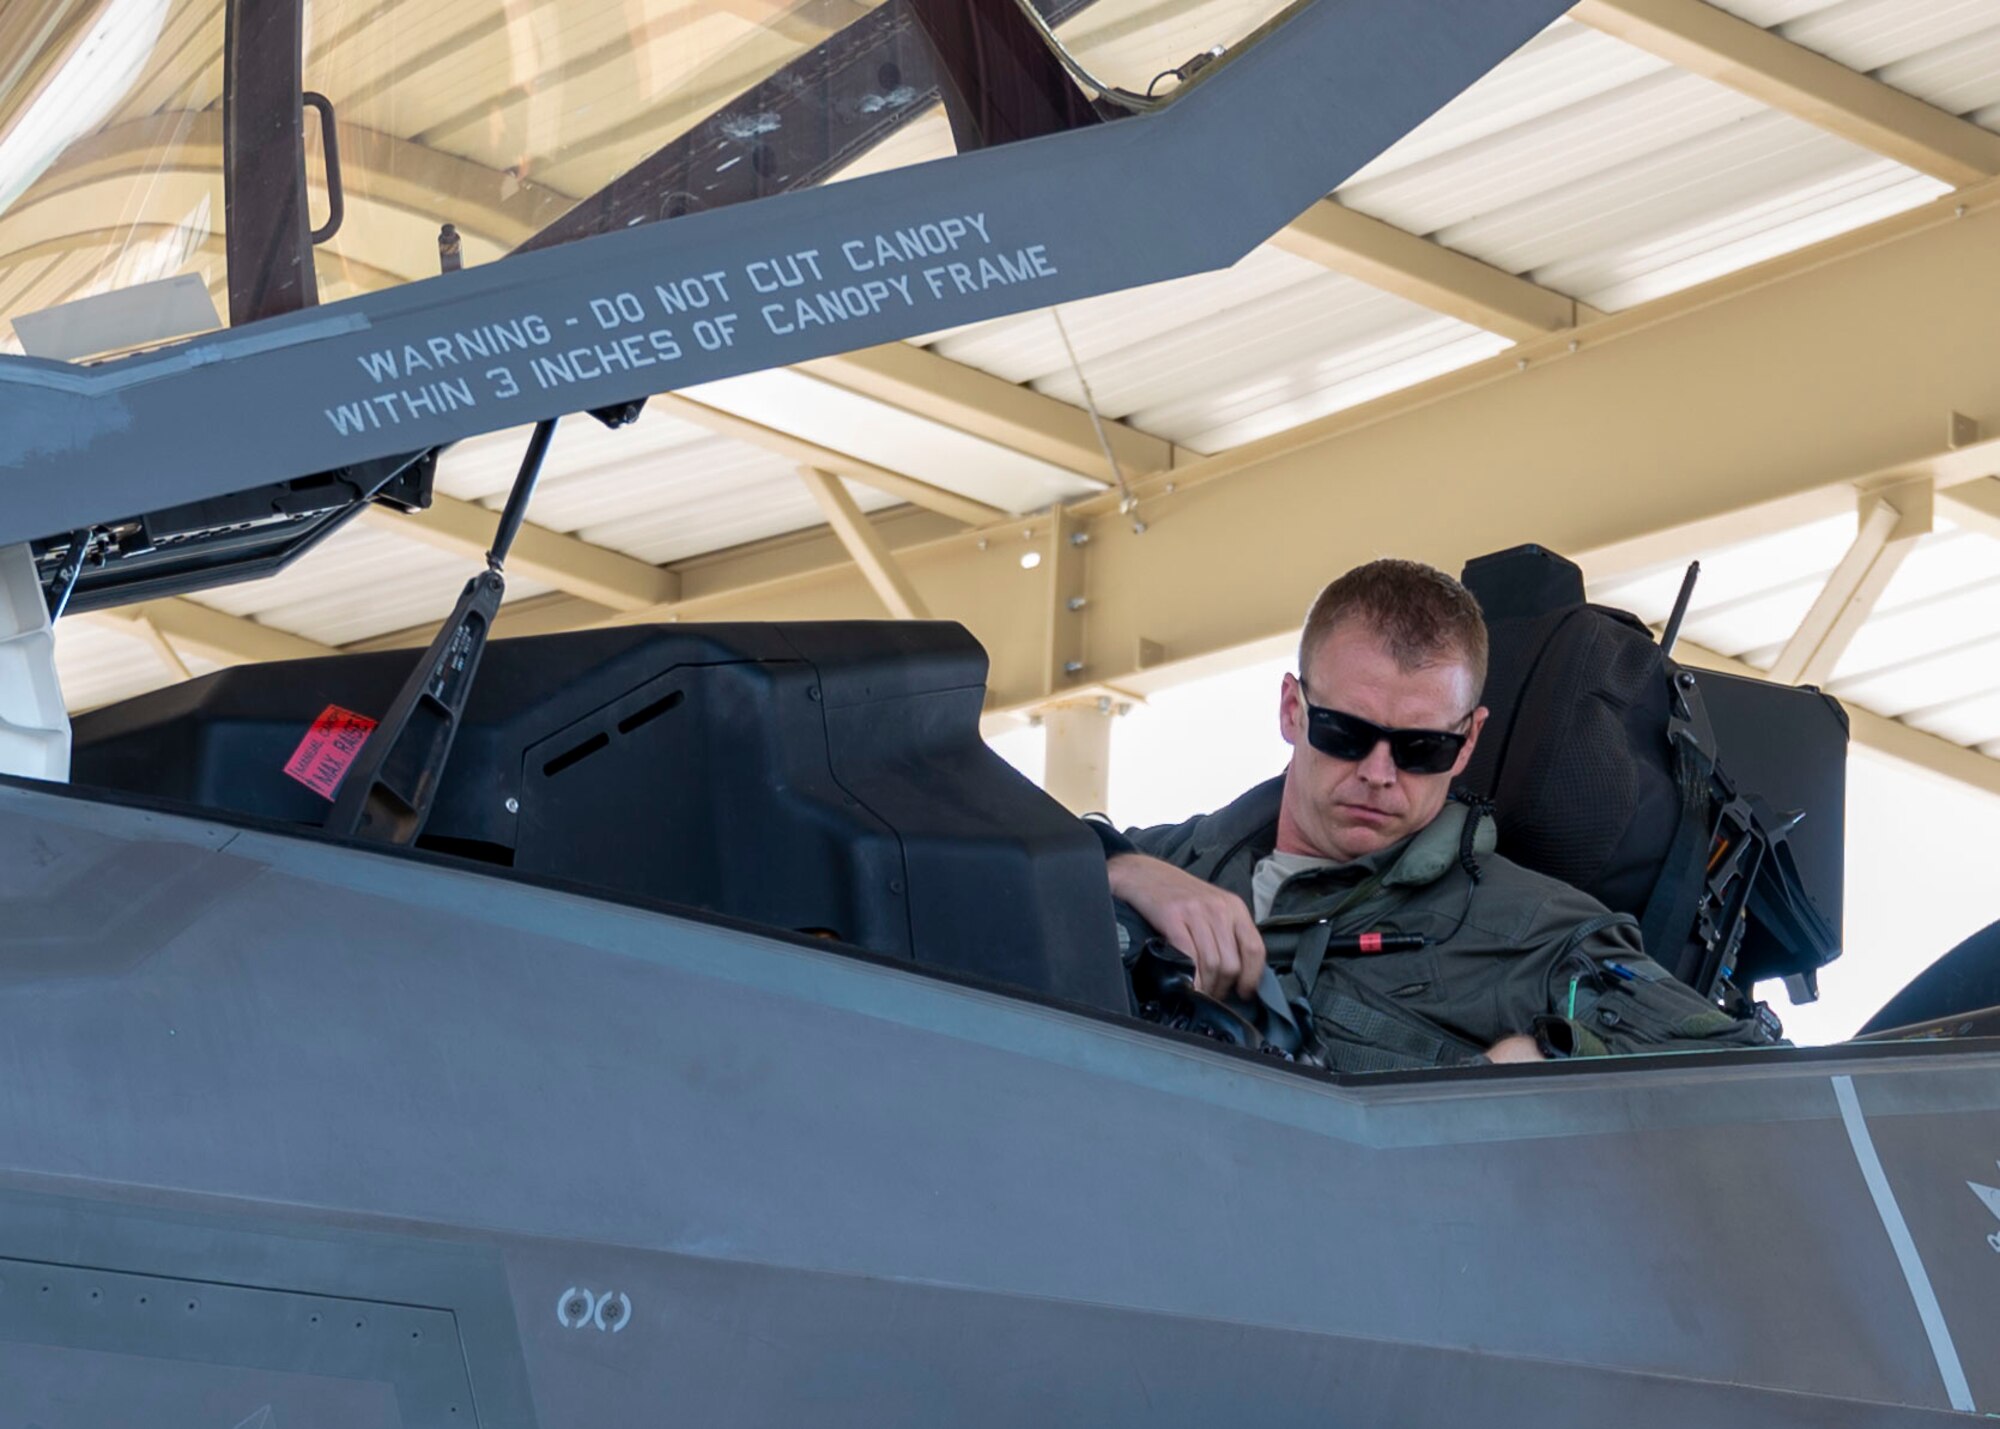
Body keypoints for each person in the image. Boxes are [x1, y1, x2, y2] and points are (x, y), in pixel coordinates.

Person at [1092, 558, 1777, 1069]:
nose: (1378, 772)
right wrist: (1118, 868)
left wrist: (1547, 1063)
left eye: (1422, 747)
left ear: (1468, 741)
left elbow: (1747, 1072)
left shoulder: (1539, 937)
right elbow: (996, 866)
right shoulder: (1170, 861)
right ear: (1292, 710)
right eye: (1346, 733)